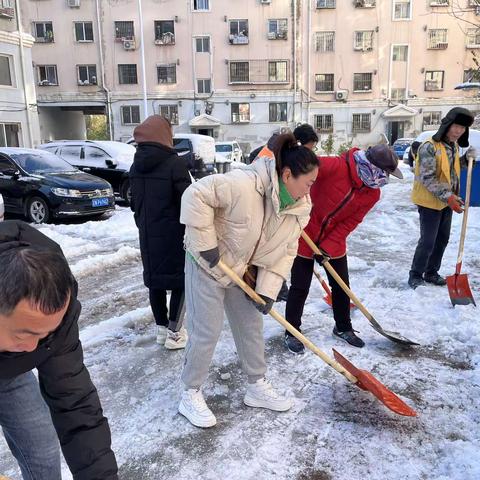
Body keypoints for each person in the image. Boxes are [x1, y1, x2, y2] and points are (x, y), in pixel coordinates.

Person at [178, 133, 319, 428]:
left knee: (251, 327)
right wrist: (206, 245)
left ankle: (256, 386)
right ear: (287, 174)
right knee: (207, 331)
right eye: (308, 182)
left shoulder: (297, 209)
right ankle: (189, 392)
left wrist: (267, 291)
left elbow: (285, 252)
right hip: (207, 263)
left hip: (241, 271)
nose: (310, 190)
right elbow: (195, 195)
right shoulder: (242, 184)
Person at [0, 220, 118, 480]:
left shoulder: (54, 316)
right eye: (24, 334)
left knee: (41, 445)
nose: (32, 349)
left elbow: (75, 403)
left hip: (7, 370)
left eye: (45, 335)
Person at [285, 144, 403, 354]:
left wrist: (328, 247)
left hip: (334, 242)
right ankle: (291, 330)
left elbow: (351, 221)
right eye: (384, 172)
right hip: (304, 232)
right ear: (372, 166)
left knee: (341, 286)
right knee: (299, 287)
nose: (385, 178)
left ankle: (343, 327)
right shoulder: (335, 166)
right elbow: (301, 173)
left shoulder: (372, 193)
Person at [130, 115, 192, 349]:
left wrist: (143, 225)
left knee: (155, 282)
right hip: (174, 235)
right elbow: (188, 201)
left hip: (147, 234)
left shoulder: (136, 165)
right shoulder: (174, 164)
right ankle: (174, 334)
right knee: (180, 282)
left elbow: (134, 203)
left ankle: (161, 329)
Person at [408, 107, 475, 289]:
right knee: (428, 240)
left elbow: (449, 171)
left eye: (462, 128)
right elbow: (427, 177)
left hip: (446, 201)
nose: (458, 131)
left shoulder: (451, 146)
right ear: (447, 125)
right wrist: (449, 197)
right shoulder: (429, 146)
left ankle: (431, 272)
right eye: (456, 127)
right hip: (429, 201)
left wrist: (466, 160)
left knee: (442, 239)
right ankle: (415, 274)